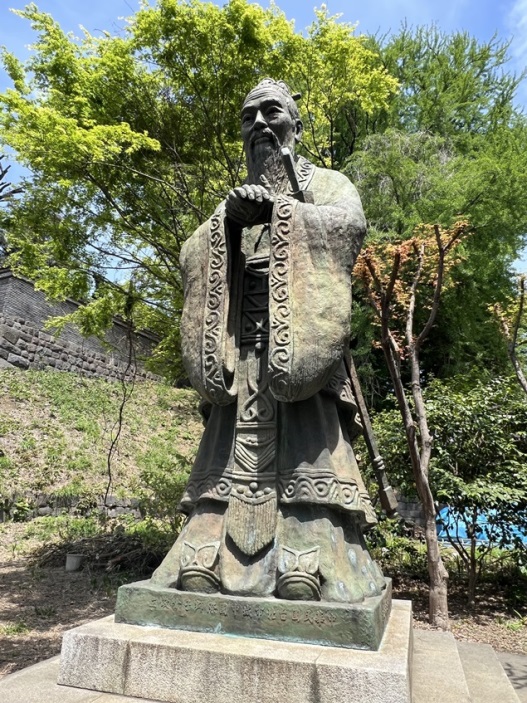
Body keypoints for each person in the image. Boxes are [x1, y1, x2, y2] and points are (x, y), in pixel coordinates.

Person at [151, 79, 385, 603]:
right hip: (241, 353)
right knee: (224, 457)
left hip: (300, 350)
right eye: (248, 116)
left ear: (295, 126)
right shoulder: (232, 204)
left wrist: (281, 212)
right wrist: (229, 225)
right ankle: (204, 553)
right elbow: (193, 253)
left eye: (271, 112)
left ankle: (310, 556)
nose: (258, 123)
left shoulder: (326, 183)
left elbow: (348, 227)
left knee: (308, 453)